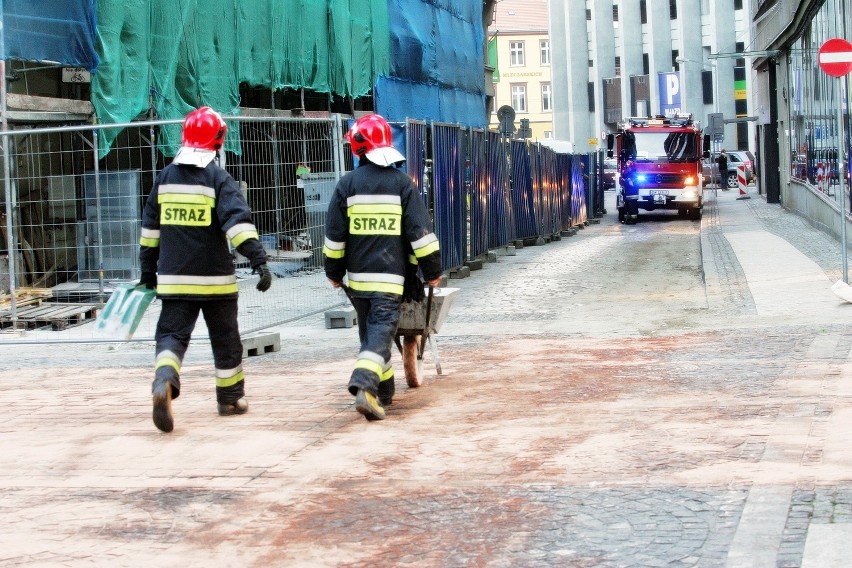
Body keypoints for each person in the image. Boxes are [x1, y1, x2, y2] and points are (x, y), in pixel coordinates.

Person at [139, 106, 272, 433]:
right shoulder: (218, 179)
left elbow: (149, 233)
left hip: (174, 281)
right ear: (217, 141)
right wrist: (259, 261)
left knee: (171, 336)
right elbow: (237, 225)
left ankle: (164, 381)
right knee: (226, 339)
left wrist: (148, 273)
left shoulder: (165, 179)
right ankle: (230, 398)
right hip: (215, 282)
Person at [323, 113, 442, 421]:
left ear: (358, 148)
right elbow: (421, 236)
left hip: (359, 281)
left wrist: (333, 273)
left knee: (371, 336)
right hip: (390, 280)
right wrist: (431, 271)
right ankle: (364, 384)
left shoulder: (346, 186)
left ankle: (384, 393)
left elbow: (335, 238)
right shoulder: (402, 185)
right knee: (379, 335)